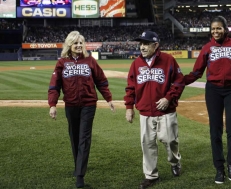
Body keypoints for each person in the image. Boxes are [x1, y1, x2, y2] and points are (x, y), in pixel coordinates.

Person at [183, 16, 231, 184]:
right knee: (215, 130)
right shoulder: (207, 48)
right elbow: (196, 72)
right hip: (213, 90)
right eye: (213, 29)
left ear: (225, 29)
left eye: (218, 28)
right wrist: (180, 80)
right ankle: (219, 168)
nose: (215, 31)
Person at [48, 31, 115, 188]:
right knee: (74, 136)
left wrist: (109, 99)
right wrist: (52, 104)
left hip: (88, 104)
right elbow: (54, 85)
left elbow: (101, 81)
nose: (79, 45)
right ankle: (78, 164)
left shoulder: (90, 61)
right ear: (69, 45)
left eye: (81, 43)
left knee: (84, 137)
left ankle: (79, 175)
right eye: (75, 43)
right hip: (70, 104)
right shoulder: (62, 63)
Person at [124, 30, 184, 189]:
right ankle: (151, 176)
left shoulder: (168, 60)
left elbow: (179, 82)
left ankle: (175, 162)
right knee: (147, 144)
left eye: (145, 44)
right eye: (140, 44)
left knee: (170, 141)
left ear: (155, 45)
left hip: (166, 110)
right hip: (145, 112)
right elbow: (130, 87)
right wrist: (129, 107)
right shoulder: (136, 63)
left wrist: (168, 98)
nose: (142, 47)